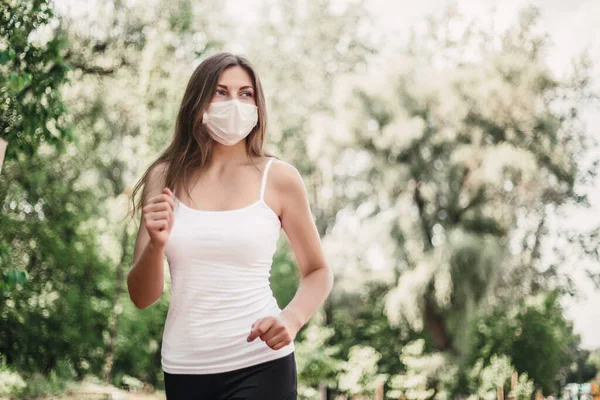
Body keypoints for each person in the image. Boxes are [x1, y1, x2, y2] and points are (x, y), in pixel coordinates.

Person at [126, 52, 334, 400]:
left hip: (260, 362)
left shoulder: (279, 177)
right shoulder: (164, 176)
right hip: (184, 367)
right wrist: (156, 245)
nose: (234, 103)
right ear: (198, 101)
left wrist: (292, 319)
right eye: (221, 92)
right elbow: (141, 296)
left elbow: (318, 270)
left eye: (245, 93)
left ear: (257, 105)